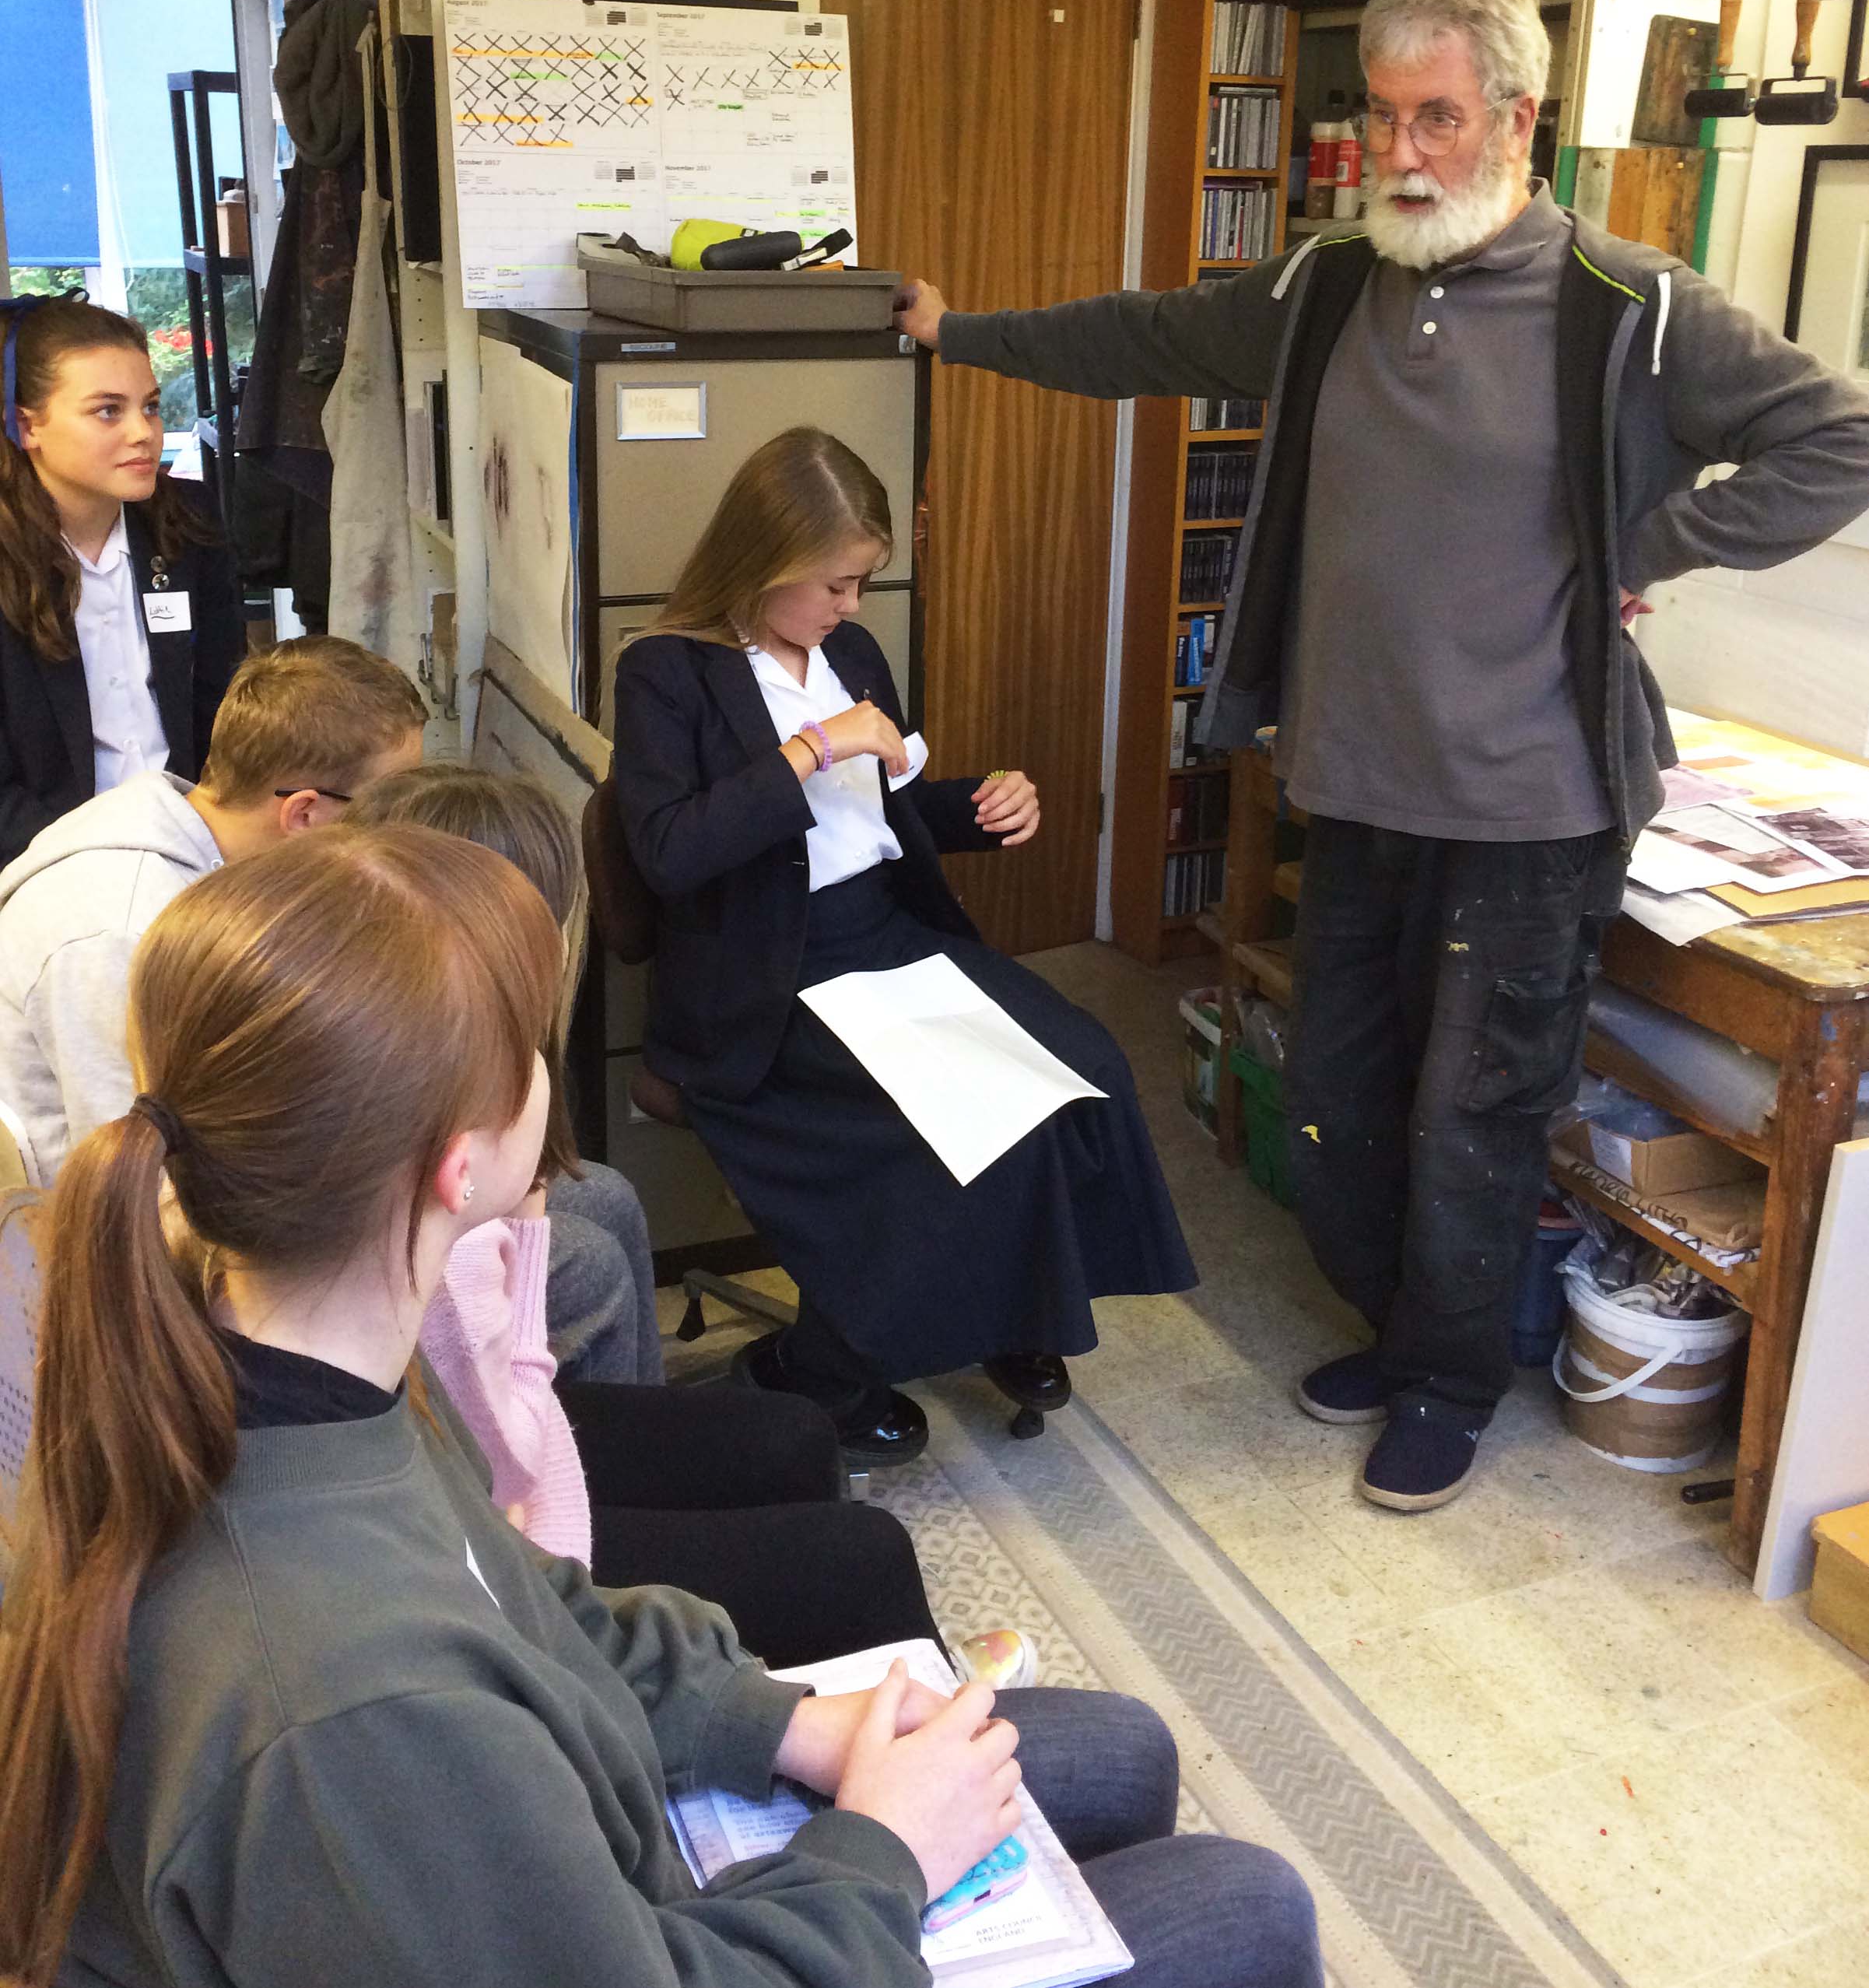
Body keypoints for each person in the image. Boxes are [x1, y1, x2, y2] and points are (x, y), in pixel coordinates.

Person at [0, 824, 1322, 1988]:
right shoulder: (342, 1706)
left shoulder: (302, 1373)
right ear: (457, 1166)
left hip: (580, 1864)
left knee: (1122, 1750)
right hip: (616, 1917)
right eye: (529, 1048)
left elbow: (533, 1606)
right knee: (1247, 1903)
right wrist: (879, 1852)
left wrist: (783, 1724)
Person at [893, 0, 1869, 1515]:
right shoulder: (1329, 284)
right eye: (1379, 115)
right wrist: (965, 333)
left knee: (1472, 1117)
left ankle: (1446, 1382)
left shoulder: (1627, 307)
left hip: (1529, 804)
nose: (1397, 151)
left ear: (1517, 120)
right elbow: (1148, 336)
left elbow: (1839, 436)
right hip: (1351, 782)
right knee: (1339, 1099)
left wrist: (1652, 541)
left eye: (1436, 117)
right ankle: (1396, 1330)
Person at [351, 763, 1036, 1678]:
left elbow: (507, 1407)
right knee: (862, 1552)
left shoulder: (436, 1163)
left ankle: (816, 1670)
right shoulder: (439, 1239)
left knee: (793, 1433)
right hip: (525, 1561)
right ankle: (818, 1692)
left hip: (505, 1492)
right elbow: (512, 1474)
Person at [608, 426, 1195, 1467]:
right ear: (763, 562)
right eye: (834, 584)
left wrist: (982, 806)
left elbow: (888, 806)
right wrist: (812, 745)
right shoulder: (666, 671)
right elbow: (667, 850)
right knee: (945, 1128)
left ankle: (1013, 1308)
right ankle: (818, 1369)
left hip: (883, 931)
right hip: (770, 973)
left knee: (1081, 1068)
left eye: (860, 583)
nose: (850, 606)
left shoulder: (851, 656)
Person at [0, 633, 425, 1181]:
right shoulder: (122, 931)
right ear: (303, 814)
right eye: (384, 811)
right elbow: (129, 1179)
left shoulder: (211, 853)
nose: (393, 835)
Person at [348, 763, 663, 1397]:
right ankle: (585, 1442)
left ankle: (643, 1422)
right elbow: (441, 1207)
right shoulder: (406, 1052)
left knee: (607, 1196)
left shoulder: (431, 1014)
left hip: (421, 1209)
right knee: (591, 1264)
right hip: (388, 1252)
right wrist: (525, 1208)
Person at [0, 293, 244, 864]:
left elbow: (225, 704)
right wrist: (97, 862)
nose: (144, 432)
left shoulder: (188, 522)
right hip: (43, 863)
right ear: (27, 425)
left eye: (151, 407)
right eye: (108, 411)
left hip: (194, 841)